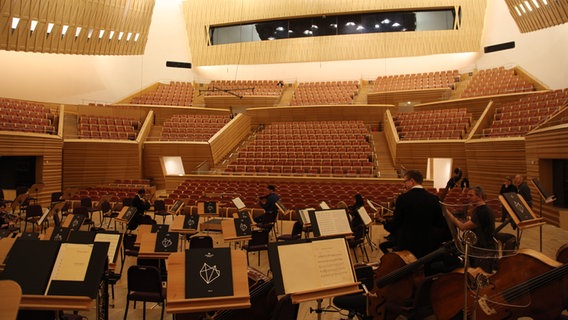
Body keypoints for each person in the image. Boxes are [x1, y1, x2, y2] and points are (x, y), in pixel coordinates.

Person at [384, 169, 452, 260]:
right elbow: (439, 223)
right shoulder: (433, 199)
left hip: (407, 246)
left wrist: (387, 225)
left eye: (405, 181)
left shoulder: (403, 198)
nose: (404, 185)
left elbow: (396, 223)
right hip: (428, 245)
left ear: (412, 181)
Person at [445, 186, 496, 272]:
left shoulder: (482, 211)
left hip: (482, 250)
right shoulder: (483, 209)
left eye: (471, 195)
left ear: (479, 196)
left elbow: (463, 227)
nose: (468, 197)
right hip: (482, 247)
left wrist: (448, 214)